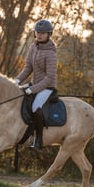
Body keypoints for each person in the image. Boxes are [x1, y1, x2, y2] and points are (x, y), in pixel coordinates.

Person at [15, 19, 57, 151]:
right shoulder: (33, 47)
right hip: (34, 85)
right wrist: (17, 81)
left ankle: (39, 140)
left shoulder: (51, 53)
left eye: (43, 33)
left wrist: (32, 89)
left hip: (47, 88)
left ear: (49, 34)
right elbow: (28, 67)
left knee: (35, 107)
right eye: (38, 32)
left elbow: (49, 78)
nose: (39, 35)